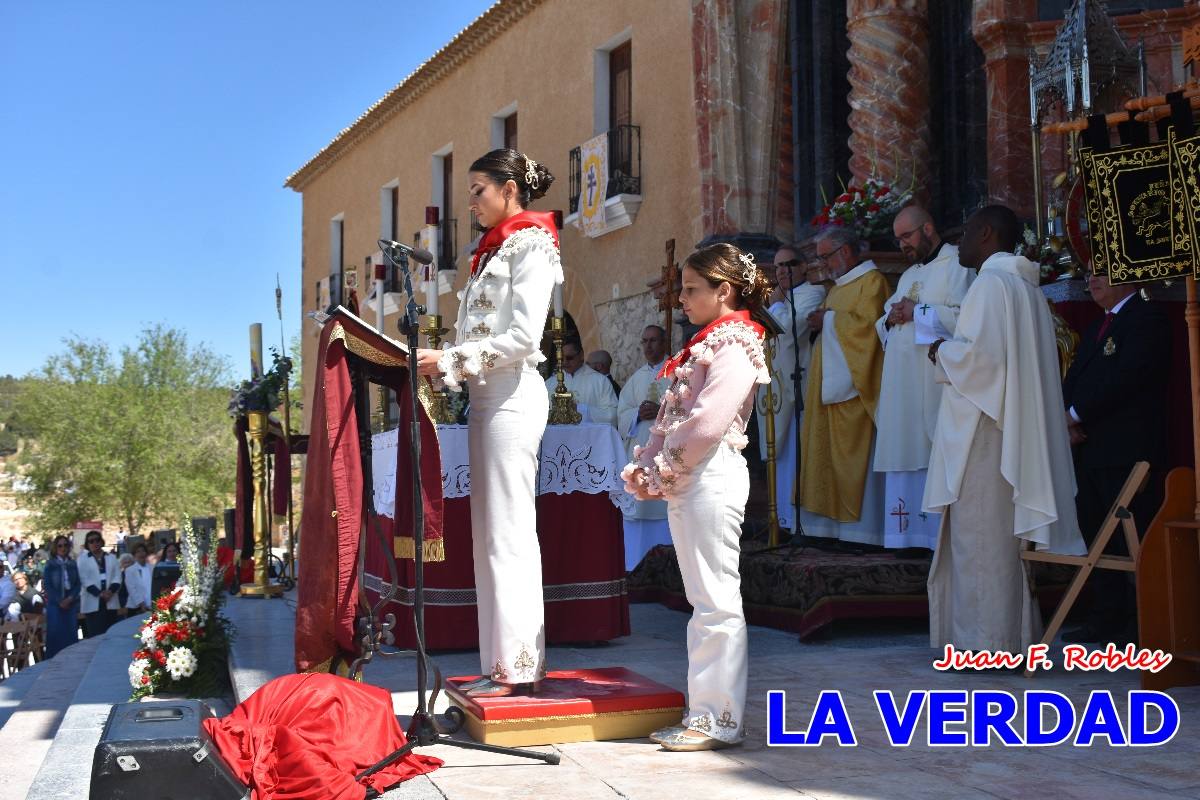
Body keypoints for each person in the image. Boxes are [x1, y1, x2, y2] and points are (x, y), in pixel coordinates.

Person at [412, 148, 560, 698]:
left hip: (512, 396)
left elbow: (524, 337)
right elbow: (475, 337)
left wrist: (447, 361)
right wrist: (444, 361)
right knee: (489, 536)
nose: (471, 202)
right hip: (485, 397)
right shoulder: (491, 252)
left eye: (479, 190)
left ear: (509, 190)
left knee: (510, 534)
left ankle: (521, 666)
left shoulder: (533, 245)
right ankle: (501, 663)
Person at [623, 242, 772, 751]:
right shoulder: (710, 342)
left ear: (723, 291)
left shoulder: (737, 343)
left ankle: (718, 718)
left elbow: (708, 423)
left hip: (712, 475)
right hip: (694, 477)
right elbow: (675, 418)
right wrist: (648, 467)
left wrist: (661, 470)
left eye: (691, 290)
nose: (681, 300)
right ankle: (705, 712)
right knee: (704, 600)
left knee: (715, 601)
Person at [924, 205, 1085, 654]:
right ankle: (1009, 637)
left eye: (968, 232)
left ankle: (985, 644)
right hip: (1008, 424)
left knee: (981, 540)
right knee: (997, 541)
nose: (960, 243)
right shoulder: (1025, 287)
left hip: (986, 428)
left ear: (988, 235)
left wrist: (941, 350)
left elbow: (982, 362)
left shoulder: (992, 286)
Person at [1061, 271, 1172, 644]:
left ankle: (1141, 621)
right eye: (1089, 272)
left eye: (1103, 272)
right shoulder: (1098, 325)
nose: (1093, 280)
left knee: (1132, 539)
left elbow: (1127, 378)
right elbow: (1075, 377)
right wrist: (1067, 418)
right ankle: (1104, 616)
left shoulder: (1147, 318)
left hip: (1127, 449)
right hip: (1091, 448)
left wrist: (1075, 415)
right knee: (1097, 536)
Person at [874, 206, 975, 550]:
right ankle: (904, 539)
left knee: (930, 450)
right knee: (903, 446)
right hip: (901, 386)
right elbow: (885, 319)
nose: (902, 244)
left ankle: (934, 538)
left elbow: (966, 318)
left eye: (907, 235)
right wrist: (891, 318)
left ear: (928, 228)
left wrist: (916, 312)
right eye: (898, 238)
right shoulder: (908, 275)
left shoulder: (957, 265)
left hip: (932, 382)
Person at [797, 227, 891, 544]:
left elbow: (869, 331)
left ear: (847, 251)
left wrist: (830, 321)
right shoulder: (837, 289)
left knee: (856, 459)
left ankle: (862, 534)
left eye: (826, 256)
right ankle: (829, 529)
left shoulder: (873, 283)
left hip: (855, 391)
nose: (823, 263)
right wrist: (821, 322)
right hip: (829, 386)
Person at [755, 243, 826, 532]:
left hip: (798, 384)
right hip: (774, 387)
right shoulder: (779, 301)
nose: (782, 271)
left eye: (789, 264)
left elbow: (788, 330)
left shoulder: (813, 293)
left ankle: (799, 523)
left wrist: (774, 306)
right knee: (780, 454)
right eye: (778, 266)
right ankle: (779, 520)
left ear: (804, 267)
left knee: (797, 451)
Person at [616, 325, 674, 569]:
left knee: (666, 511)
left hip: (667, 456)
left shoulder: (676, 373)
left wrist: (661, 411)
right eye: (645, 341)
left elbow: (689, 408)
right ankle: (634, 567)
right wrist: (637, 414)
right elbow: (621, 413)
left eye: (653, 341)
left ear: (664, 342)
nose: (648, 346)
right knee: (638, 512)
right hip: (641, 455)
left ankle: (667, 568)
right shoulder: (636, 379)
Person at [545, 338, 619, 426]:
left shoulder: (600, 381)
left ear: (581, 355)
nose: (564, 362)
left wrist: (583, 410)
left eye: (569, 358)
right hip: (559, 438)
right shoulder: (550, 383)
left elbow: (613, 415)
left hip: (589, 437)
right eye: (561, 359)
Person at [78, 530, 121, 638]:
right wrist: (100, 593)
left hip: (110, 599)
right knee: (95, 636)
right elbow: (84, 579)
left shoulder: (111, 557)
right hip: (93, 601)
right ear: (87, 544)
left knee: (112, 635)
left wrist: (110, 591)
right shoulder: (82, 560)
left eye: (97, 540)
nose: (95, 543)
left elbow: (117, 576)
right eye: (91, 541)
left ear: (101, 542)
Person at [42, 535, 80, 657]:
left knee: (70, 635)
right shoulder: (50, 565)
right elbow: (48, 585)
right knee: (55, 635)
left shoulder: (73, 564)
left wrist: (70, 598)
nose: (63, 548)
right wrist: (59, 600)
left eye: (65, 545)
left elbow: (78, 584)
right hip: (55, 605)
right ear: (55, 547)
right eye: (60, 545)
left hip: (71, 604)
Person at [125, 543, 153, 612]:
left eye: (143, 551)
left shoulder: (152, 567)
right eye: (138, 552)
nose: (141, 553)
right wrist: (141, 604)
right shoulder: (130, 570)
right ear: (134, 555)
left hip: (152, 605)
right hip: (137, 607)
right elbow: (132, 589)